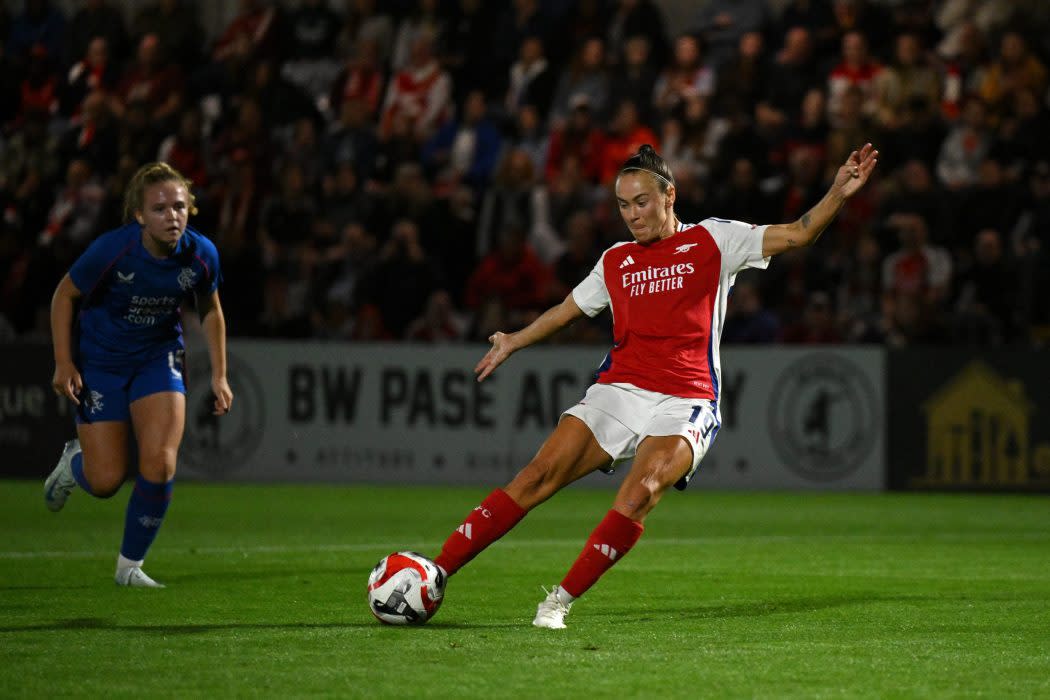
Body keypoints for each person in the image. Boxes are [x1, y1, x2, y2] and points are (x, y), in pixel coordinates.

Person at [428, 142, 878, 628]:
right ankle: (435, 573)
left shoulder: (713, 240)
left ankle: (557, 602)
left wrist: (837, 193)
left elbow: (798, 234)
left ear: (669, 196)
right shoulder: (616, 260)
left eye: (641, 202)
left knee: (641, 490)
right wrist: (514, 341)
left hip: (686, 398)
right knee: (537, 476)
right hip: (619, 390)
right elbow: (566, 311)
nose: (632, 215)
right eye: (623, 205)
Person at [44, 162, 233, 587]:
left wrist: (220, 375)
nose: (173, 216)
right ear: (139, 216)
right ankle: (74, 464)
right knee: (106, 480)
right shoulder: (113, 250)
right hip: (103, 362)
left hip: (157, 357)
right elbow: (64, 295)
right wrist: (64, 361)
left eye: (180, 206)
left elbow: (211, 310)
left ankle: (130, 567)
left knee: (161, 462)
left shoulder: (202, 254)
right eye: (161, 208)